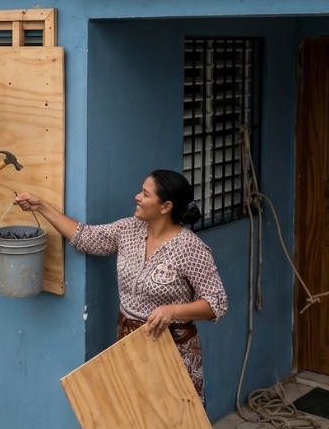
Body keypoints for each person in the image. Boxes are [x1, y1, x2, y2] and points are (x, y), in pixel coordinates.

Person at [14, 170, 227, 397]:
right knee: (134, 419)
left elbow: (217, 303)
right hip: (130, 344)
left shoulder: (190, 248)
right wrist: (41, 206)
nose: (137, 197)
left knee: (177, 424)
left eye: (145, 194)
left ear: (165, 207)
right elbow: (85, 237)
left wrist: (172, 311)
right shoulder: (128, 230)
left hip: (174, 349)